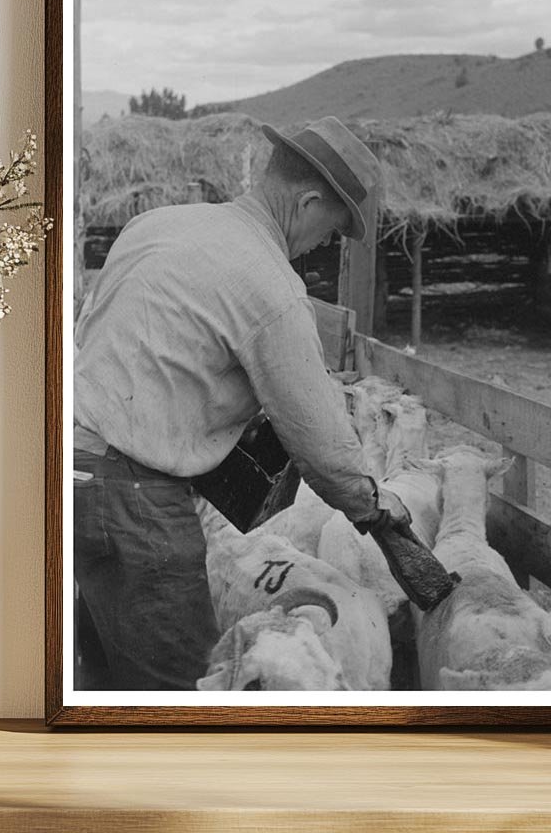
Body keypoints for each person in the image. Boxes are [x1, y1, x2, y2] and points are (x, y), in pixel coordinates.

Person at [72, 115, 412, 690]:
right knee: (179, 694)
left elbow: (107, 339)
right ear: (307, 203)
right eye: (332, 229)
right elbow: (321, 442)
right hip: (139, 504)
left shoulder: (155, 225)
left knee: (103, 677)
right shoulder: (272, 290)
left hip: (70, 474)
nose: (324, 244)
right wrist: (373, 506)